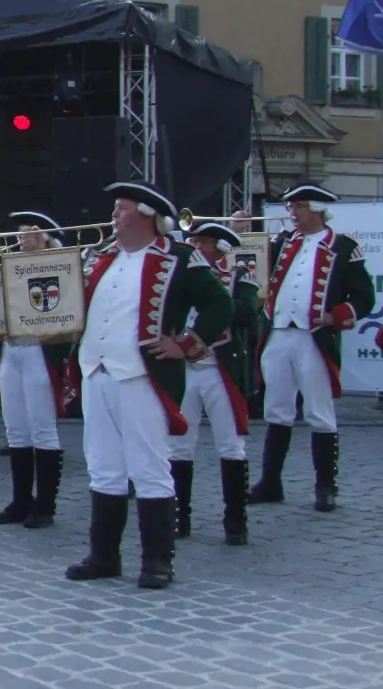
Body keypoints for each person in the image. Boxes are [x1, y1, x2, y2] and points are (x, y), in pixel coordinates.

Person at [65, 182, 232, 590]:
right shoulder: (100, 256)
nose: (114, 215)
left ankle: (158, 560)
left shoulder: (179, 257)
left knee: (149, 468)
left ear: (146, 215)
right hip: (96, 371)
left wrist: (186, 344)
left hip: (142, 376)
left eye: (122, 209)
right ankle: (103, 556)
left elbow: (220, 304)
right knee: (103, 466)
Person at [247, 184, 374, 512]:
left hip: (313, 337)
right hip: (278, 334)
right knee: (277, 409)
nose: (292, 212)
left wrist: (335, 316)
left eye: (299, 205)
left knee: (319, 412)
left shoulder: (343, 247)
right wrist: (241, 232)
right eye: (290, 206)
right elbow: (251, 267)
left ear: (317, 208)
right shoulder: (282, 242)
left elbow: (364, 296)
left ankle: (326, 486)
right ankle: (270, 482)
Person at [169, 222, 260, 545]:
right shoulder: (179, 275)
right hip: (184, 367)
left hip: (220, 369)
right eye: (194, 241)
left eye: (204, 242)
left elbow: (248, 312)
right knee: (178, 443)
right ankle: (178, 518)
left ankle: (236, 521)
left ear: (220, 248)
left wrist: (215, 298)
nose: (196, 247)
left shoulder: (240, 276)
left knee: (230, 444)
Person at [0, 212, 75, 530]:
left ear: (46, 237)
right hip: (11, 350)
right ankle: (20, 501)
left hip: (40, 351)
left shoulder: (59, 266)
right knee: (16, 430)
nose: (23, 238)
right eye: (21, 232)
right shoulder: (9, 266)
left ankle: (46, 505)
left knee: (42, 429)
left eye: (32, 232)